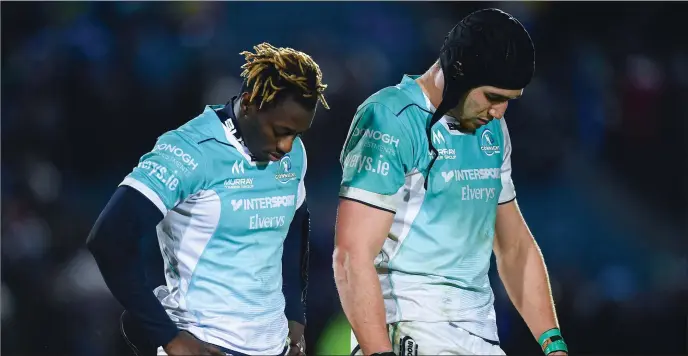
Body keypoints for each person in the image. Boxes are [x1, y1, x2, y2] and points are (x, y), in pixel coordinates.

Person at [333, 8, 569, 356]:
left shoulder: (493, 130)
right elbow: (351, 256)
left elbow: (514, 247)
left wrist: (554, 345)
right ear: (459, 70)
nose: (500, 112)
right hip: (410, 331)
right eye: (493, 97)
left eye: (508, 100)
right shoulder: (390, 119)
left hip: (480, 337)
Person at [87, 42, 329, 356]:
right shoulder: (189, 151)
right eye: (281, 130)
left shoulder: (293, 154)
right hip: (206, 344)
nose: (287, 145)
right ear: (250, 103)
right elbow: (109, 238)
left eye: (298, 133)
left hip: (275, 346)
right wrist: (168, 336)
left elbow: (294, 225)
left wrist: (296, 314)